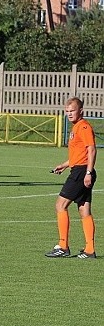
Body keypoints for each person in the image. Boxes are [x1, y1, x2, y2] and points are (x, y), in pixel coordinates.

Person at [46, 97, 97, 258]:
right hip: (79, 169)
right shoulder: (76, 127)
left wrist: (88, 173)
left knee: (60, 205)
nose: (69, 114)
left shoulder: (83, 127)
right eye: (67, 111)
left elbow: (92, 150)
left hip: (81, 172)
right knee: (84, 209)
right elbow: (79, 154)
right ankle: (89, 249)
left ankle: (63, 246)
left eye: (72, 111)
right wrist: (65, 164)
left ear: (80, 111)